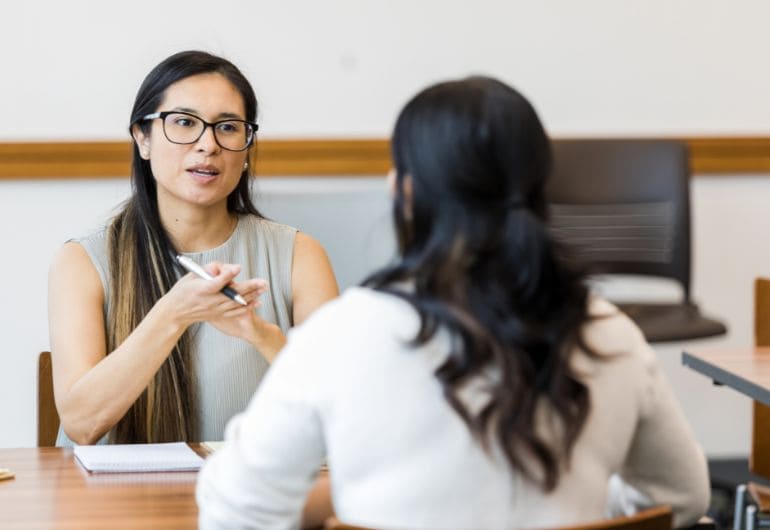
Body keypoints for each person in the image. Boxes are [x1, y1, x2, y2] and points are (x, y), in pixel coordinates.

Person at [195, 76, 710, 529]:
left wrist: (342, 503)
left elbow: (235, 511)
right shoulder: (608, 331)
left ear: (405, 191)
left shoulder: (346, 332)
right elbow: (681, 500)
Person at [48, 50, 338, 446]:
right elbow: (82, 424)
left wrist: (261, 335)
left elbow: (341, 411)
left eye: (228, 127)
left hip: (251, 501)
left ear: (248, 148)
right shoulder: (81, 261)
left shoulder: (300, 255)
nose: (208, 144)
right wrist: (173, 313)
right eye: (184, 122)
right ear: (142, 138)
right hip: (114, 505)